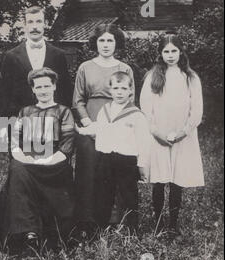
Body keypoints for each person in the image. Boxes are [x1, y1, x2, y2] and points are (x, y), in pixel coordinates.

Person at [0, 67, 76, 251]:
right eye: (38, 87)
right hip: (27, 161)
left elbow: (67, 146)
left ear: (54, 87)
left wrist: (45, 161)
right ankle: (28, 232)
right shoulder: (25, 112)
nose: (43, 90)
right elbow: (14, 143)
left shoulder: (64, 112)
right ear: (32, 89)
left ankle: (33, 229)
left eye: (46, 86)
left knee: (21, 171)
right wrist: (26, 159)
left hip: (54, 163)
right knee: (17, 168)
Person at [71, 24, 134, 240]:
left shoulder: (125, 69)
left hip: (116, 121)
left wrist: (116, 126)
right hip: (90, 122)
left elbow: (130, 100)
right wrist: (89, 124)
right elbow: (78, 99)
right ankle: (86, 221)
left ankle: (114, 220)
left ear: (117, 43)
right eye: (101, 41)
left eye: (110, 41)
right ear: (95, 43)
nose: (106, 45)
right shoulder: (85, 67)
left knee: (114, 168)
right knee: (89, 170)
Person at [140, 34, 204, 240]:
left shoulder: (191, 78)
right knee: (159, 180)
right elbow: (145, 109)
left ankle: (173, 224)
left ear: (181, 52)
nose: (170, 55)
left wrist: (183, 132)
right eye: (166, 51)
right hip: (158, 136)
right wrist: (156, 133)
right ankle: (158, 222)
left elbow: (196, 111)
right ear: (160, 53)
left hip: (182, 137)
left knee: (177, 180)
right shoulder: (153, 76)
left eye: (173, 51)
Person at [78, 71, 151, 234]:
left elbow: (144, 142)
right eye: (116, 88)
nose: (119, 92)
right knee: (103, 194)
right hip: (105, 158)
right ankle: (100, 228)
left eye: (123, 88)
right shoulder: (105, 109)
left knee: (128, 195)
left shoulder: (136, 115)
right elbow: (98, 126)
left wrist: (142, 165)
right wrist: (81, 130)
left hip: (127, 160)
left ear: (130, 91)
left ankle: (132, 230)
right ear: (110, 90)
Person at [0, 5, 73, 120]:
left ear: (45, 24)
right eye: (30, 22)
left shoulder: (58, 55)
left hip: (52, 118)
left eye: (38, 21)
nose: (35, 27)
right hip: (20, 119)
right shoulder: (11, 56)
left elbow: (65, 91)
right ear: (25, 25)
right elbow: (4, 93)